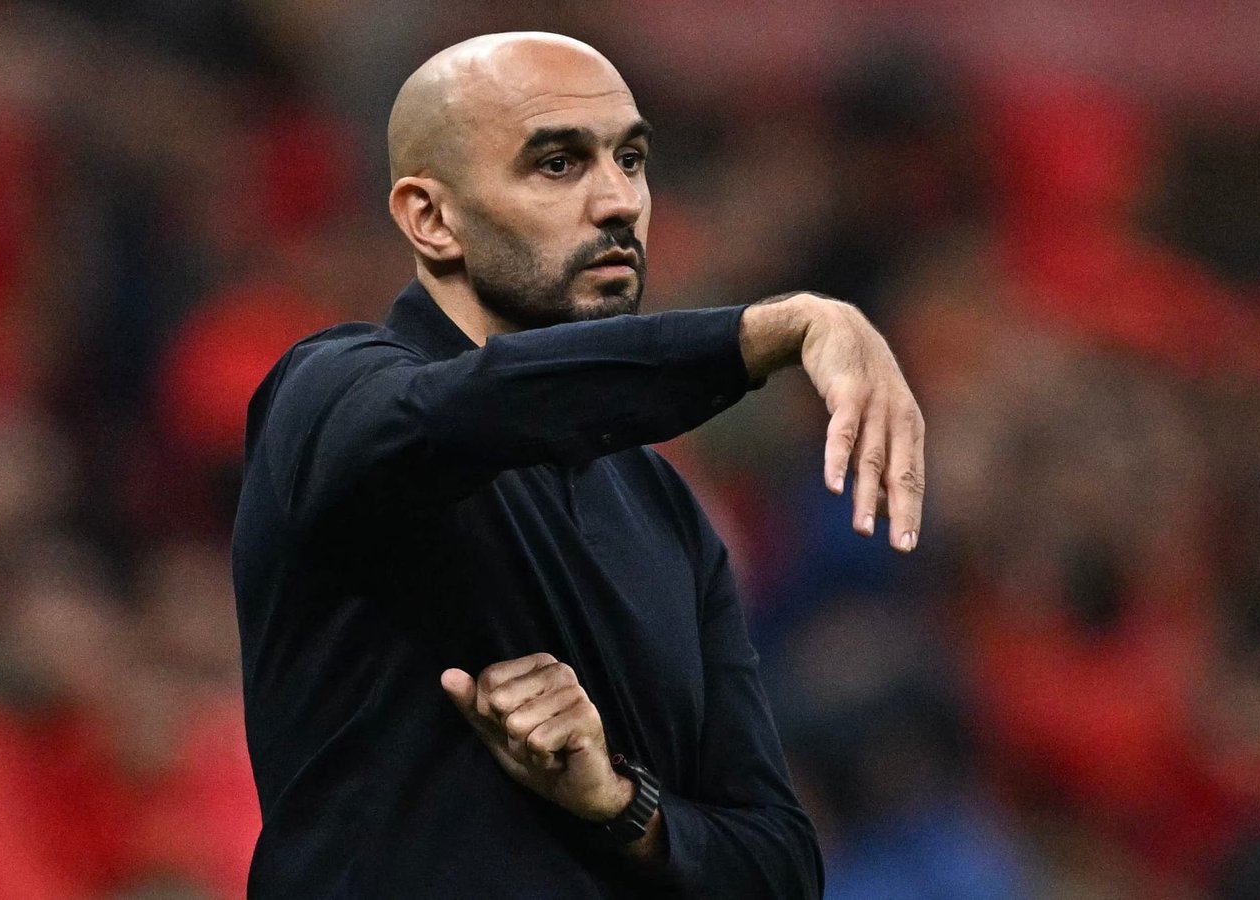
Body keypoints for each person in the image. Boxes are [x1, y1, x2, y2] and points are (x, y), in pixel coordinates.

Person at [232, 31, 924, 899]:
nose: (618, 202)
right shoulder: (326, 395)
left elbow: (777, 867)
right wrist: (764, 333)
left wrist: (618, 804)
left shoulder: (665, 513)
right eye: (558, 164)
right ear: (429, 217)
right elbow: (468, 409)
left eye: (631, 160)